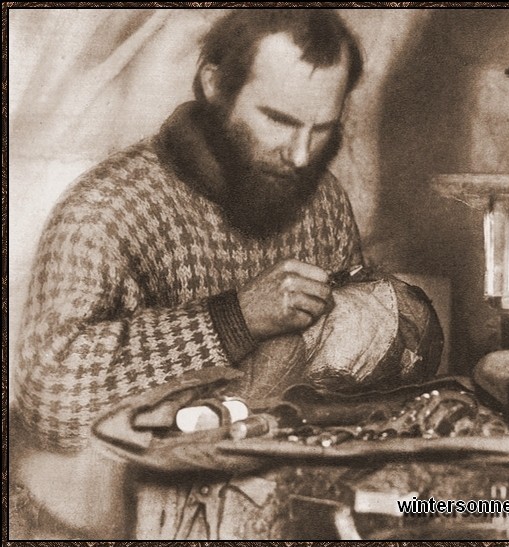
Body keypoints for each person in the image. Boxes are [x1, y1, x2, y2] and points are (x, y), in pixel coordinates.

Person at [14, 10, 366, 452]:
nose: (299, 156)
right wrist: (232, 321)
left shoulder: (324, 201)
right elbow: (48, 406)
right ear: (214, 85)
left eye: (322, 129)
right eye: (279, 120)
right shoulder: (105, 208)